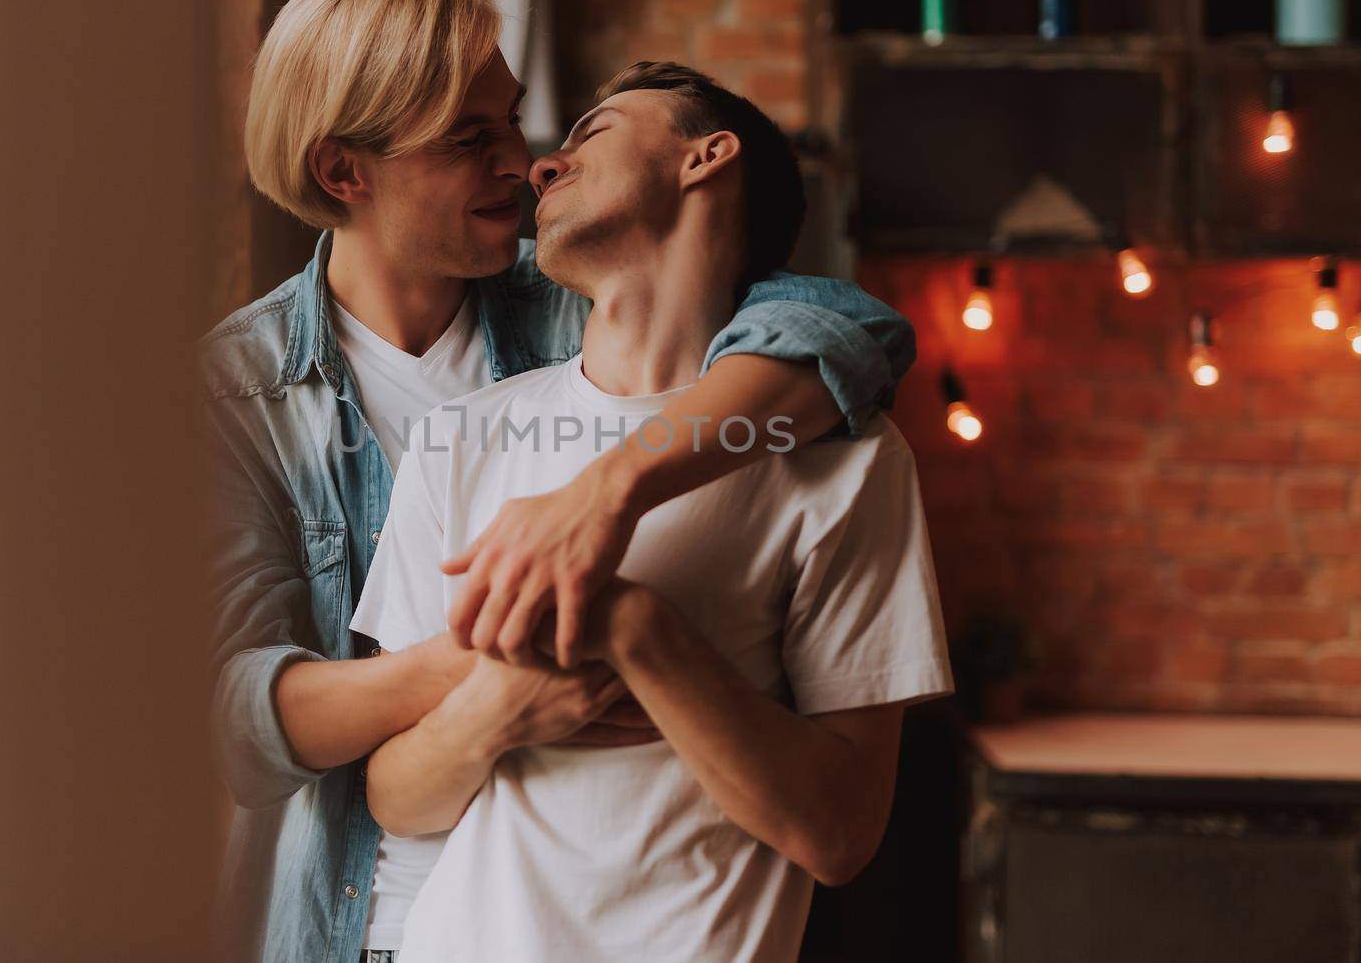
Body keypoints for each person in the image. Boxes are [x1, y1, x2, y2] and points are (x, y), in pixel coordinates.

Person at [200, 0, 915, 963]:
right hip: (352, 914)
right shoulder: (239, 392)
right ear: (343, 173)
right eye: (468, 137)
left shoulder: (585, 296)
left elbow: (847, 328)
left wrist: (605, 493)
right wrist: (514, 651)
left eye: (515, 119)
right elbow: (234, 715)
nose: (522, 159)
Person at [349, 62, 953, 962]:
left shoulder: (846, 461)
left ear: (707, 157)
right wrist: (504, 711)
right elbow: (396, 794)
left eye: (592, 133)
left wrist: (637, 630)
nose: (542, 166)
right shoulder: (459, 438)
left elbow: (838, 837)